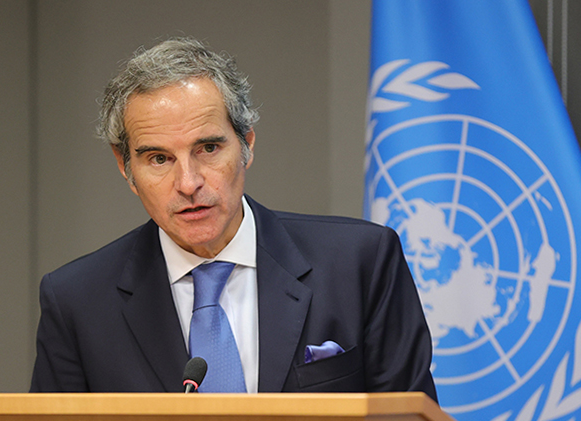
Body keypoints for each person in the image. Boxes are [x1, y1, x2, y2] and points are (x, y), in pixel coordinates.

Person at [30, 37, 437, 400]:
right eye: (159, 158)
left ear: (247, 145)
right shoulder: (78, 303)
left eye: (208, 149)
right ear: (125, 168)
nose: (188, 183)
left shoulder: (360, 263)